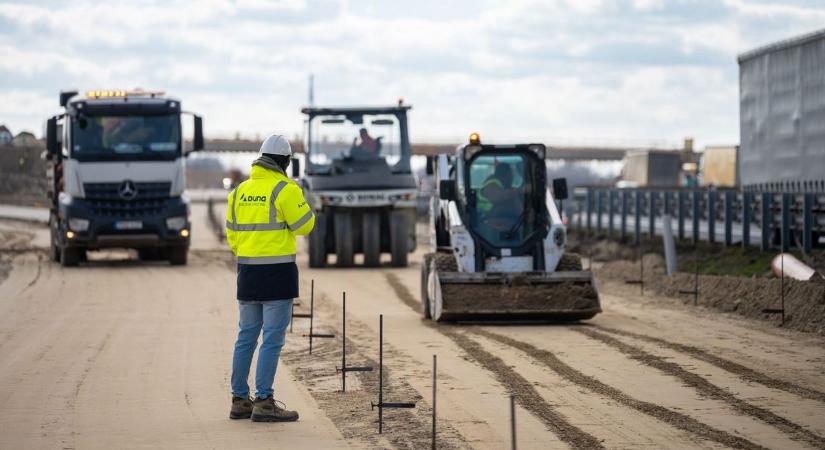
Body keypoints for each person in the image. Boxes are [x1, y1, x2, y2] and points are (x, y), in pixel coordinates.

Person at [225, 134, 315, 422]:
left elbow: (232, 236)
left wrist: (250, 253)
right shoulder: (285, 189)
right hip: (277, 273)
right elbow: (305, 226)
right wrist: (299, 198)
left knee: (246, 337)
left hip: (248, 272)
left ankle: (239, 400)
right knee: (272, 340)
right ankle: (264, 401)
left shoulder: (239, 192)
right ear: (285, 162)